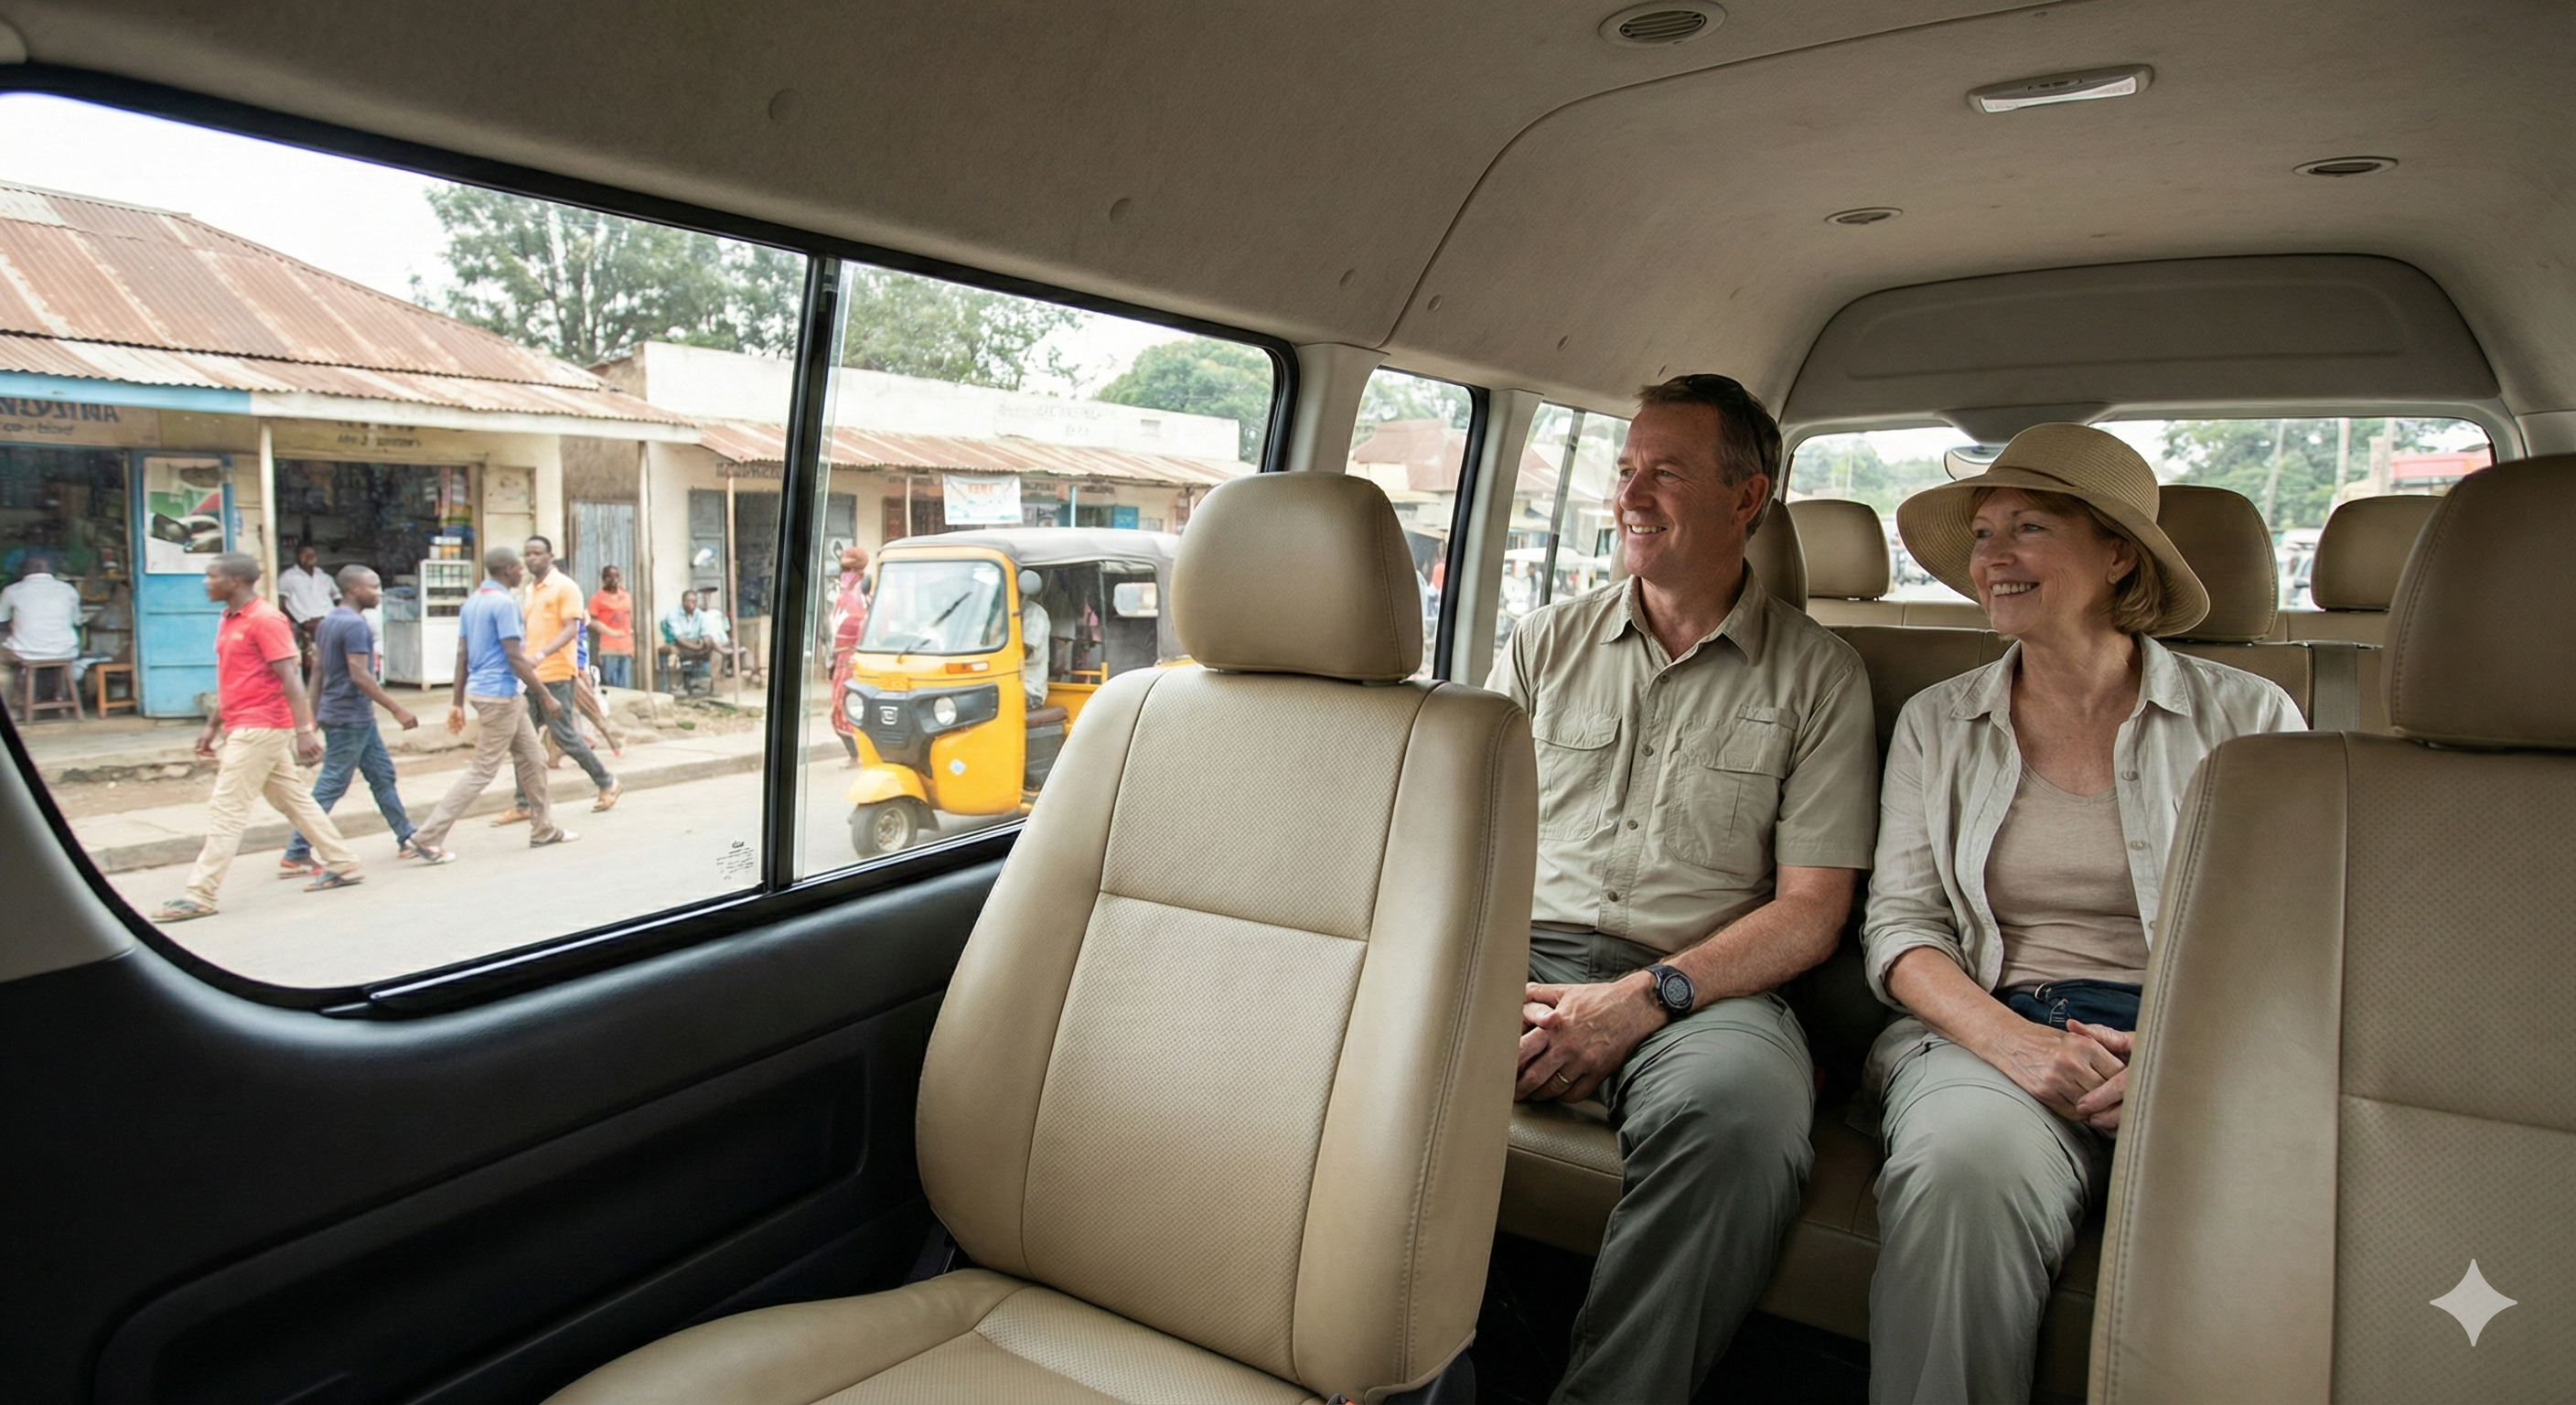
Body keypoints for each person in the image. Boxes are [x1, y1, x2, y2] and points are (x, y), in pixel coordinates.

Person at [1862, 424, 2302, 1404]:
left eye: (2029, 526)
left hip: (2197, 1043)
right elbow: (1899, 927)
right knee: (1962, 1169)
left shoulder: (2253, 720)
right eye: (1982, 535)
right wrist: (2019, 1046)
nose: (1993, 557)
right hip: (1995, 1027)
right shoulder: (1936, 721)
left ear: (2116, 552)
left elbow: (2291, 953)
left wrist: (2173, 1058)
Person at [1492, 374, 1879, 1405]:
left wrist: (1637, 1001)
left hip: (1704, 990)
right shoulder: (1541, 644)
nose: (1629, 495)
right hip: (1515, 957)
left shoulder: (1820, 676)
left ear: (1745, 498)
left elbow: (1811, 910)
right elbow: (1470, 846)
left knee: (1740, 1121)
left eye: (1663, 472)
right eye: (1624, 470)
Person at [152, 553, 362, 922]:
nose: (205, 582)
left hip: (261, 726)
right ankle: (343, 863)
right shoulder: (228, 619)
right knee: (294, 800)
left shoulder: (266, 619)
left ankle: (201, 893)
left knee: (227, 808)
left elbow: (290, 678)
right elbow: (232, 678)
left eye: (211, 576)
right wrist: (212, 725)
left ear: (234, 581)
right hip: (242, 722)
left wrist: (304, 730)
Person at [407, 545, 578, 863]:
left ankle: (544, 828)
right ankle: (428, 836)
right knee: (482, 770)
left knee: (535, 759)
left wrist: (457, 702)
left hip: (495, 694)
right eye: (517, 567)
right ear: (506, 571)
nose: (522, 570)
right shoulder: (504, 604)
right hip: (499, 695)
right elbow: (514, 656)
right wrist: (544, 694)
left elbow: (462, 654)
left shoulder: (473, 602)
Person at [280, 564, 420, 874]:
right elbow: (360, 674)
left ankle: (406, 835)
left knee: (382, 775)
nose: (379, 593)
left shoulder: (330, 620)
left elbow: (317, 671)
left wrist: (314, 715)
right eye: (374, 587)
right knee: (331, 784)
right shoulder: (356, 625)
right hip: (349, 716)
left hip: (349, 715)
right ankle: (297, 850)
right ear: (354, 589)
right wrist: (397, 709)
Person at [493, 536, 618, 824]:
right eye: (527, 554)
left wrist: (542, 654)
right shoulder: (529, 589)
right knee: (522, 737)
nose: (531, 558)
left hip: (557, 672)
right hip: (531, 677)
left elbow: (571, 629)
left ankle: (606, 781)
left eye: (537, 553)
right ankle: (523, 803)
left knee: (564, 734)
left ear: (550, 555)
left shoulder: (566, 587)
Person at [0, 552, 86, 702]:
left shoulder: (12, 591)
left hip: (25, 652)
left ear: (23, 571)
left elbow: (1, 620)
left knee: (5, 652)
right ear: (50, 571)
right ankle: (59, 696)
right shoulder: (67, 589)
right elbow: (77, 621)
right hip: (64, 651)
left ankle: (17, 701)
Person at [826, 546, 869, 763]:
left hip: (852, 656)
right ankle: (855, 755)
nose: (847, 572)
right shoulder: (844, 591)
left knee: (845, 705)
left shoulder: (863, 591)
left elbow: (862, 621)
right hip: (839, 656)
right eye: (845, 567)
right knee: (838, 707)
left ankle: (859, 755)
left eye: (851, 567)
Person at [277, 542, 339, 665]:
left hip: (328, 619)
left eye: (312, 554)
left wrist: (340, 614)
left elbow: (337, 597)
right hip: (306, 622)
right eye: (304, 554)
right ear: (297, 557)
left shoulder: (324, 577)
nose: (309, 557)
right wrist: (298, 622)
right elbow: (281, 604)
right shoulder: (287, 577)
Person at [660, 589, 726, 692]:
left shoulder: (700, 615)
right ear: (683, 602)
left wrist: (706, 641)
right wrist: (698, 647)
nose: (692, 604)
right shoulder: (673, 614)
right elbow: (678, 639)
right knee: (673, 652)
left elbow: (705, 632)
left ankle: (712, 685)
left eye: (694, 601)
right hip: (678, 646)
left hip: (696, 644)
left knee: (716, 652)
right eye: (689, 601)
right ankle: (675, 687)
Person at [587, 563, 635, 690]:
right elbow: (590, 622)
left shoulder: (626, 596)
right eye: (609, 576)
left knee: (625, 687)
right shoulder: (596, 598)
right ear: (603, 579)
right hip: (608, 649)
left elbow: (628, 617)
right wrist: (610, 632)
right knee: (610, 686)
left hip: (625, 648)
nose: (613, 579)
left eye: (616, 576)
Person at [1016, 568, 1049, 712]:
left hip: (1029, 689)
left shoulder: (1035, 613)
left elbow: (1024, 652)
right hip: (1003, 685)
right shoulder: (998, 613)